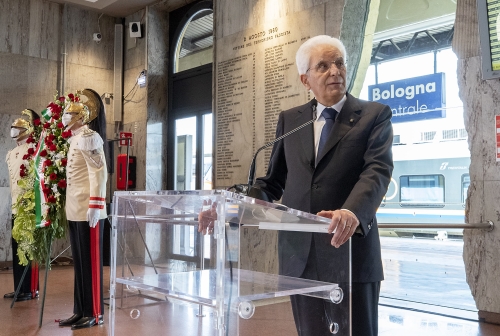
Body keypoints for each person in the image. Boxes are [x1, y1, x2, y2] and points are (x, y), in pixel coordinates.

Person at [247, 35, 394, 336]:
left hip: (351, 251)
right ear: (305, 79)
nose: (335, 71)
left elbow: (377, 170)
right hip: (301, 259)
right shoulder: (291, 120)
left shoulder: (374, 116)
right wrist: (232, 204)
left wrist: (352, 212)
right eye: (323, 66)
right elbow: (273, 182)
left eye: (339, 63)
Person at [57, 89, 107, 330]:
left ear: (81, 117)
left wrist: (96, 205)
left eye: (69, 113)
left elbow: (98, 173)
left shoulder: (89, 137)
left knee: (90, 263)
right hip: (75, 209)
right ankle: (80, 309)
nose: (64, 117)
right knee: (79, 263)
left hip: (89, 211)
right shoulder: (74, 139)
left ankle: (94, 312)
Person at [4, 109, 40, 302]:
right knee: (18, 247)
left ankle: (30, 289)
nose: (13, 130)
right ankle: (19, 287)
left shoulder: (33, 150)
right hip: (16, 206)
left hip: (29, 206)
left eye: (17, 127)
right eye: (11, 127)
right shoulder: (10, 154)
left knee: (28, 247)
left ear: (26, 130)